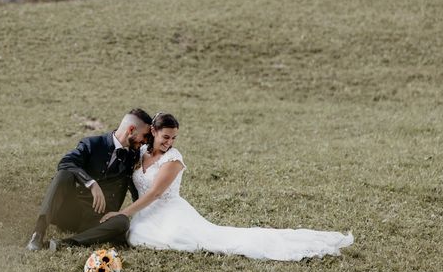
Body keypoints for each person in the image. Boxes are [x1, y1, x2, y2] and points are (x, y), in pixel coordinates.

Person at [100, 113, 354, 261]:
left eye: (174, 138)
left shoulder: (173, 160)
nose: (169, 142)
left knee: (165, 239)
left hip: (168, 211)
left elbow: (155, 193)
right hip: (144, 212)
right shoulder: (141, 151)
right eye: (165, 137)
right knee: (137, 236)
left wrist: (122, 214)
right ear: (152, 132)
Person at [26, 108, 152, 251]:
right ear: (131, 129)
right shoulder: (92, 143)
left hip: (98, 220)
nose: (146, 141)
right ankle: (37, 234)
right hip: (71, 213)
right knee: (64, 174)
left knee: (122, 221)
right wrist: (91, 183)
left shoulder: (133, 157)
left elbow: (137, 191)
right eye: (145, 136)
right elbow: (65, 163)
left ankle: (66, 243)